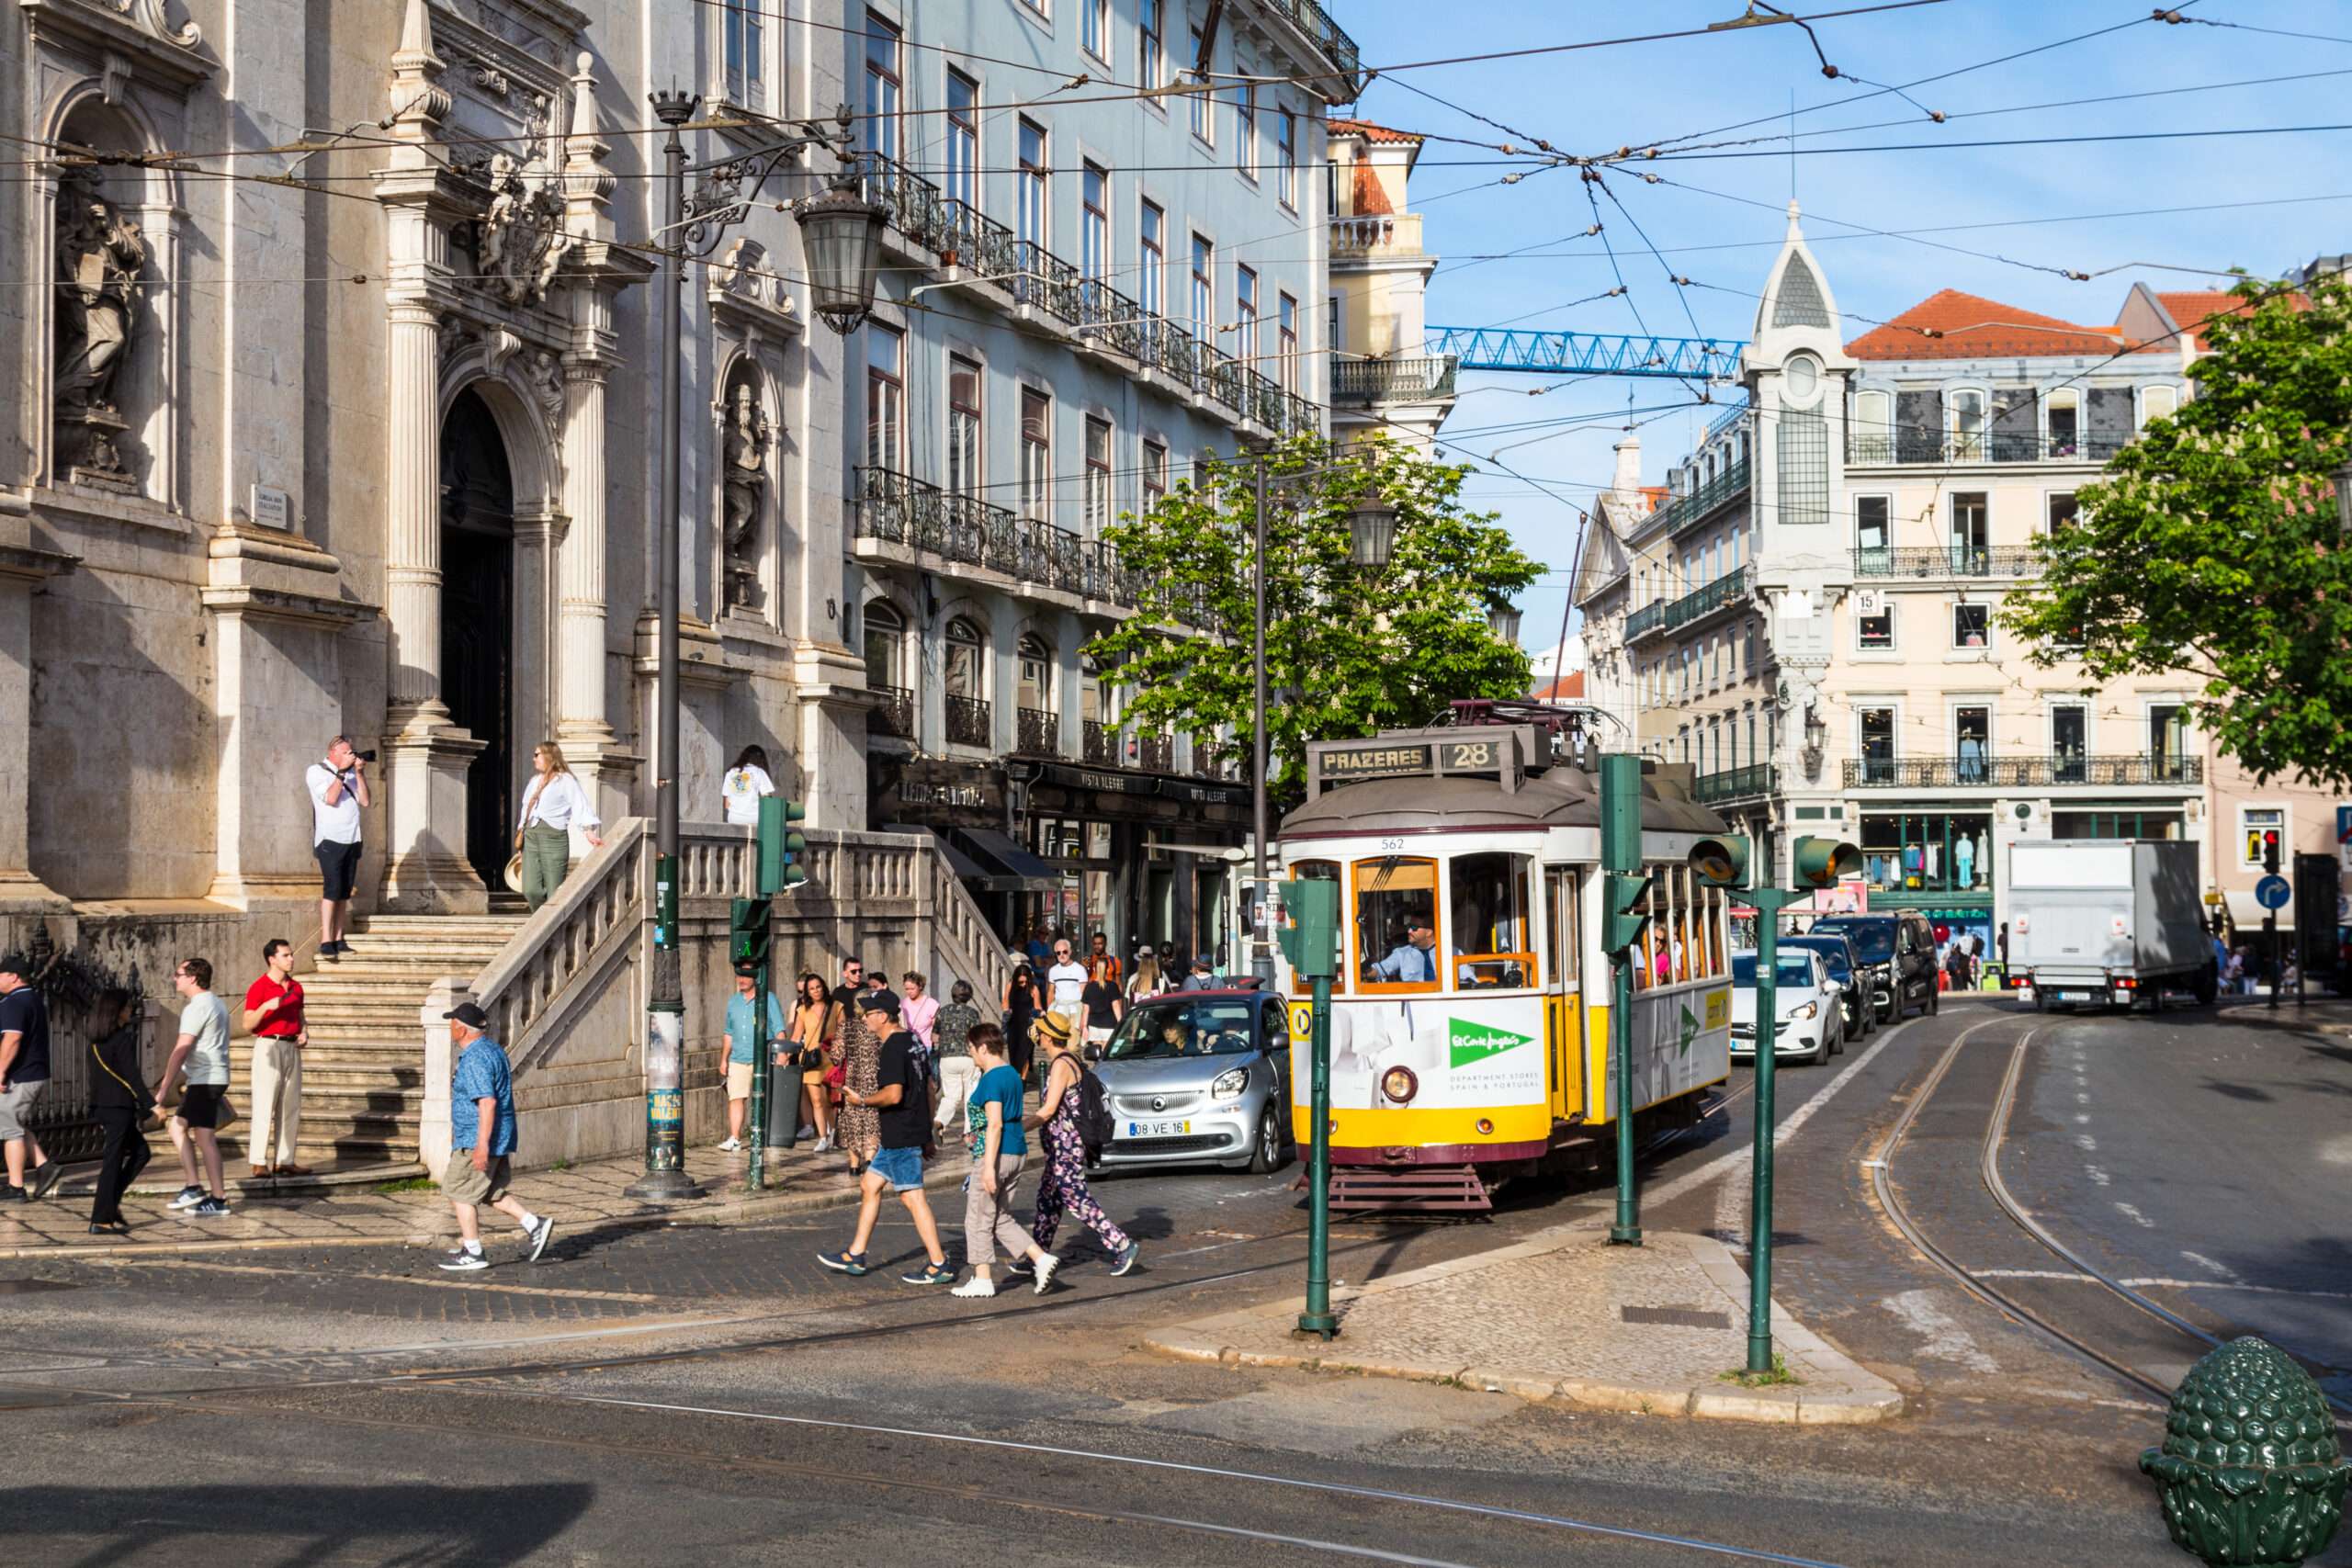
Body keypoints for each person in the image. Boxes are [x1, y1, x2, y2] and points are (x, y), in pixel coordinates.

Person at [817, 990, 954, 1285]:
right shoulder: (915, 1041)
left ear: (882, 1016)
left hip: (901, 1134)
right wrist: (928, 1133)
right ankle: (855, 1254)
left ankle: (938, 1263)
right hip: (906, 1133)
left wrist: (862, 1101)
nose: (864, 1019)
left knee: (913, 1199)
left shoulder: (892, 1048)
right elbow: (929, 1087)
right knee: (869, 1184)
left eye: (868, 1014)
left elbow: (894, 1095)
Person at [437, 1001, 555, 1269]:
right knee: (490, 1191)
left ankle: (474, 1252)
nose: (450, 1029)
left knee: (459, 1191)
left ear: (460, 1029)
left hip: (476, 1139)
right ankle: (534, 1224)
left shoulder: (475, 1059)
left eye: (452, 1024)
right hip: (501, 1135)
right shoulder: (493, 1050)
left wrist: (481, 1146)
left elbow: (487, 1102)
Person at [1028, 1011, 1139, 1277]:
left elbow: (1049, 1109)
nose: (1037, 1035)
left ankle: (1122, 1244)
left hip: (1066, 1147)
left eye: (1040, 1031)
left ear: (1046, 1036)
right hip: (1058, 1148)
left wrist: (1016, 1128)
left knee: (1076, 1199)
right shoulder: (1068, 1060)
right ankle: (1036, 1257)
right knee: (1047, 1201)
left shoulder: (1061, 1065)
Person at [953, 1023, 1058, 1298]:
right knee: (999, 1216)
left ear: (983, 1048)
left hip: (997, 1154)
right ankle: (1041, 1258)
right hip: (1018, 1150)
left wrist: (988, 1167)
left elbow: (995, 1124)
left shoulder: (991, 1078)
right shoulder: (1012, 1073)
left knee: (977, 1217)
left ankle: (982, 1278)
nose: (972, 1056)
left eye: (972, 1050)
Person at [157, 956, 232, 1217]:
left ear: (192, 977)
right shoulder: (215, 1003)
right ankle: (194, 1186)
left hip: (206, 1079)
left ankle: (216, 1196)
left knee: (204, 1137)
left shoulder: (197, 1007)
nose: (174, 978)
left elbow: (182, 1048)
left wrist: (165, 1087)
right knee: (178, 1127)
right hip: (209, 1077)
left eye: (178, 974)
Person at [241, 937, 310, 1179]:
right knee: (264, 1102)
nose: (291, 959)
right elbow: (247, 1023)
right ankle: (259, 1161)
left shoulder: (296, 987)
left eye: (291, 955)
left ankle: (285, 1159)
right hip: (269, 1045)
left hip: (291, 1046)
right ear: (272, 959)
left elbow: (300, 1014)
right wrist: (266, 1007)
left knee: (291, 1104)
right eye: (285, 955)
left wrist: (304, 1030)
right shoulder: (259, 987)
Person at [85, 987, 150, 1235]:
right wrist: (152, 1105)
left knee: (142, 1153)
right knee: (112, 1162)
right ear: (118, 1010)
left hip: (103, 1106)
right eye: (127, 1007)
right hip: (118, 1107)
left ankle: (110, 1205)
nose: (131, 1010)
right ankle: (101, 1218)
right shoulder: (121, 1038)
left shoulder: (96, 1039)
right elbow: (132, 1076)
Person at [0, 953, 62, 1201]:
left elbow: (12, 1039)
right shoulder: (32, 999)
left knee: (10, 1130)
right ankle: (45, 1166)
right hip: (32, 1073)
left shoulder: (14, 1002)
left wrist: (1, 1070)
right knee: (13, 1122)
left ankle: (16, 1187)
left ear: (13, 977)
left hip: (21, 1075)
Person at [514, 741, 602, 913]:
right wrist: (521, 837)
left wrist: (588, 831)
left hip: (553, 836)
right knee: (530, 890)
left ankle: (549, 926)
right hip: (531, 835)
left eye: (536, 754)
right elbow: (526, 807)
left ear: (548, 756)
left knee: (555, 891)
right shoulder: (534, 781)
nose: (533, 759)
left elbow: (579, 804)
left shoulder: (565, 781)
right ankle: (541, 921)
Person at [306, 735, 368, 959]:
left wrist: (359, 773)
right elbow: (331, 799)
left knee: (344, 891)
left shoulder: (352, 773)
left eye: (351, 752)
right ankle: (326, 940)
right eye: (345, 752)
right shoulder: (316, 771)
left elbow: (365, 801)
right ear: (333, 753)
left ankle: (339, 938)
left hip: (353, 837)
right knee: (332, 890)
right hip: (330, 839)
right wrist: (342, 772)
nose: (350, 755)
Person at [720, 963, 786, 1152]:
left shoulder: (768, 998)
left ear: (755, 977)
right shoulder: (733, 1001)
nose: (741, 979)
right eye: (739, 975)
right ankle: (735, 1138)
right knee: (736, 1097)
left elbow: (779, 1028)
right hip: (738, 1058)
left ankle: (766, 1135)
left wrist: (782, 1053)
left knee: (764, 1098)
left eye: (746, 976)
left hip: (761, 1058)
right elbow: (728, 1033)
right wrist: (724, 1059)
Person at [833, 959, 882, 1177]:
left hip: (851, 1080)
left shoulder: (846, 1026)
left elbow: (836, 1056)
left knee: (853, 1121)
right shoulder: (876, 1027)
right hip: (873, 1079)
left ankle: (853, 1166)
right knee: (871, 1119)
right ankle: (870, 1161)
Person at [789, 972, 840, 1152]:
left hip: (831, 1059)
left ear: (823, 987)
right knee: (816, 1100)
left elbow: (843, 1032)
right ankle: (823, 1137)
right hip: (811, 1059)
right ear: (807, 992)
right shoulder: (803, 1010)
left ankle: (833, 1132)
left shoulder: (836, 1007)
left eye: (818, 987)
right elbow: (796, 1035)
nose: (816, 991)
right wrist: (786, 1054)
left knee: (829, 1101)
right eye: (811, 989)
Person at [932, 979, 984, 1136]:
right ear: (969, 996)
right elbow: (978, 1037)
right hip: (969, 1058)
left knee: (951, 1096)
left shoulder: (943, 1012)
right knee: (970, 1095)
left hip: (947, 1058)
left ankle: (939, 1121)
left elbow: (934, 1037)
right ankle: (969, 1131)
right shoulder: (972, 1013)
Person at [1002, 961, 1043, 1085]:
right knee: (1013, 1053)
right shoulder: (1010, 985)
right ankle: (1016, 1078)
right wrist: (1005, 1014)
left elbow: (1038, 1006)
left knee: (1025, 1054)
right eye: (1020, 982)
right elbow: (1005, 1001)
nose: (1023, 984)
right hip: (1014, 1024)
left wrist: (1040, 1015)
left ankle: (1023, 1081)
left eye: (1026, 981)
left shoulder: (1033, 989)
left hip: (1028, 1025)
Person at [1367, 918, 1439, 984]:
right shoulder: (1402, 953)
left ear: (1429, 932)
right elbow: (1378, 970)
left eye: (1414, 928)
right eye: (1409, 927)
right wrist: (1364, 972)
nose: (1409, 931)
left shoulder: (1446, 953)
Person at [721, 744, 775, 827]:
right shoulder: (759, 772)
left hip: (733, 819)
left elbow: (726, 804)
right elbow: (768, 801)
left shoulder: (731, 772)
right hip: (754, 819)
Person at [1080, 965, 1124, 1052]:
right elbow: (1116, 1005)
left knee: (1097, 1053)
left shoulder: (1089, 987)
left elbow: (1085, 1009)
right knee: (1107, 1052)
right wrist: (1120, 1022)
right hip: (1109, 1024)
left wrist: (1084, 1026)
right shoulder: (1112, 986)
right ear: (1107, 970)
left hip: (1093, 1025)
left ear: (1094, 969)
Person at [1046, 938, 1088, 1017]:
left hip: (1075, 1012)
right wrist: (1049, 1013)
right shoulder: (1053, 970)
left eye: (1065, 952)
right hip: (1057, 1013)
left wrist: (1084, 1016)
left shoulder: (1080, 969)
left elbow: (1084, 994)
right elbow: (1051, 992)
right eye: (1058, 953)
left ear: (1070, 952)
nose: (1061, 955)